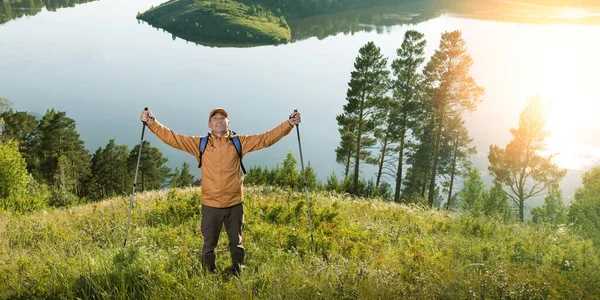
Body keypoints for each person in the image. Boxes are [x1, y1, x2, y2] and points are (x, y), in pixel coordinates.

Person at [140, 107, 301, 275]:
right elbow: (173, 138)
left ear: (228, 123)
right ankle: (208, 272)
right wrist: (152, 122)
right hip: (211, 204)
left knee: (236, 242)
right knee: (209, 243)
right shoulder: (200, 144)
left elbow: (266, 139)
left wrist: (288, 124)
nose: (218, 120)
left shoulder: (239, 142)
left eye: (222, 118)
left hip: (234, 204)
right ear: (209, 124)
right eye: (215, 118)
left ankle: (237, 270)